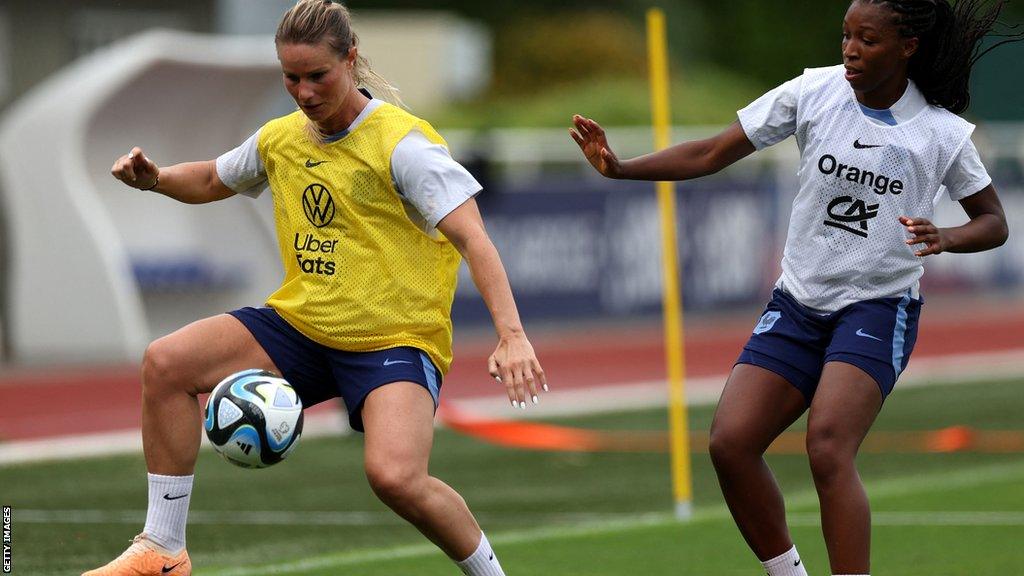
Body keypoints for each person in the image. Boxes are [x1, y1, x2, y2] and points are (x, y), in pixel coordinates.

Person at [90, 1, 546, 574]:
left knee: (396, 478)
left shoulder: (403, 145)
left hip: (394, 340)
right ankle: (162, 552)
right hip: (302, 327)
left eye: (317, 76)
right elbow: (210, 178)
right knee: (166, 363)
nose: (303, 92)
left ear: (350, 59)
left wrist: (512, 335)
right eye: (290, 77)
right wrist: (155, 179)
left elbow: (475, 239)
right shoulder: (281, 139)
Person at [570, 1, 1018, 575]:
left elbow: (994, 222)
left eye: (868, 40)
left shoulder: (941, 135)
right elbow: (712, 151)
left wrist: (947, 236)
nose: (850, 50)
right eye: (846, 36)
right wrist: (621, 168)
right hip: (799, 303)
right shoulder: (813, 92)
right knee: (730, 444)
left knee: (828, 447)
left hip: (878, 308)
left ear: (907, 47)